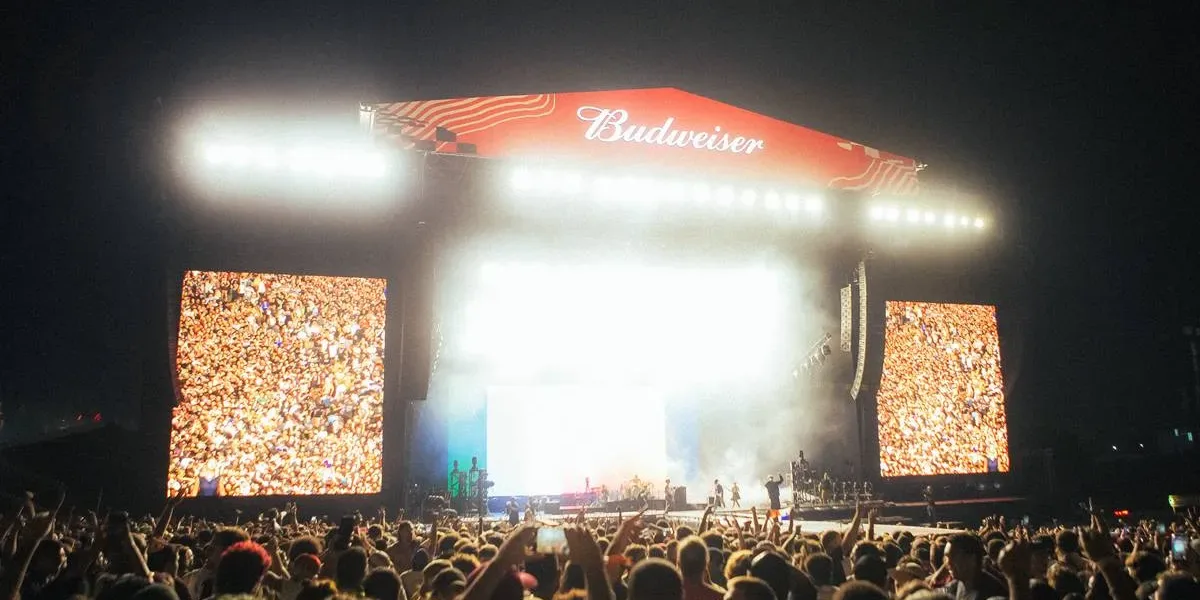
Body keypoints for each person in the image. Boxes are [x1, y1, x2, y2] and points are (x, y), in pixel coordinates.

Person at [940, 533, 1006, 600]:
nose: (948, 562)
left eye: (953, 556)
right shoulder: (953, 587)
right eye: (946, 557)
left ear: (972, 558)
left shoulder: (993, 592)